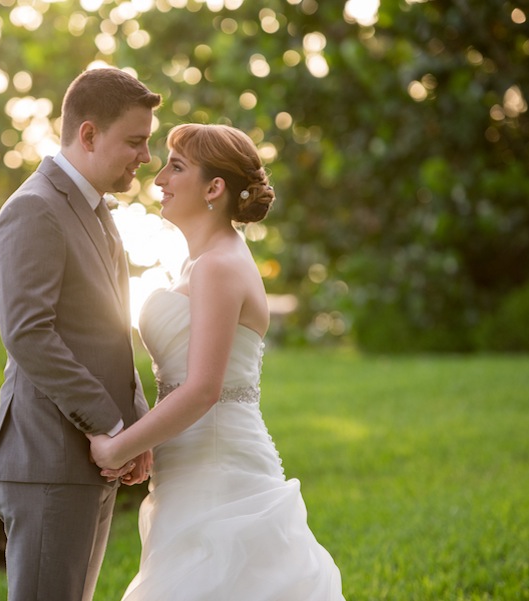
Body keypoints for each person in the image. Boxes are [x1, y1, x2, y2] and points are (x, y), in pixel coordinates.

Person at [88, 123, 346, 600]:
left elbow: (204, 389)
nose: (159, 177)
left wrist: (118, 447)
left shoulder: (219, 266)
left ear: (214, 188)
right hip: (189, 467)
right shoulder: (201, 263)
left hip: (218, 469)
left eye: (177, 167)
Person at [0, 68, 162, 601]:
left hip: (88, 457)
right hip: (47, 460)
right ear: (88, 135)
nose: (145, 157)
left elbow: (109, 329)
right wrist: (108, 422)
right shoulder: (34, 209)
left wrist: (134, 427)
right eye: (135, 141)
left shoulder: (94, 208)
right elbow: (28, 334)